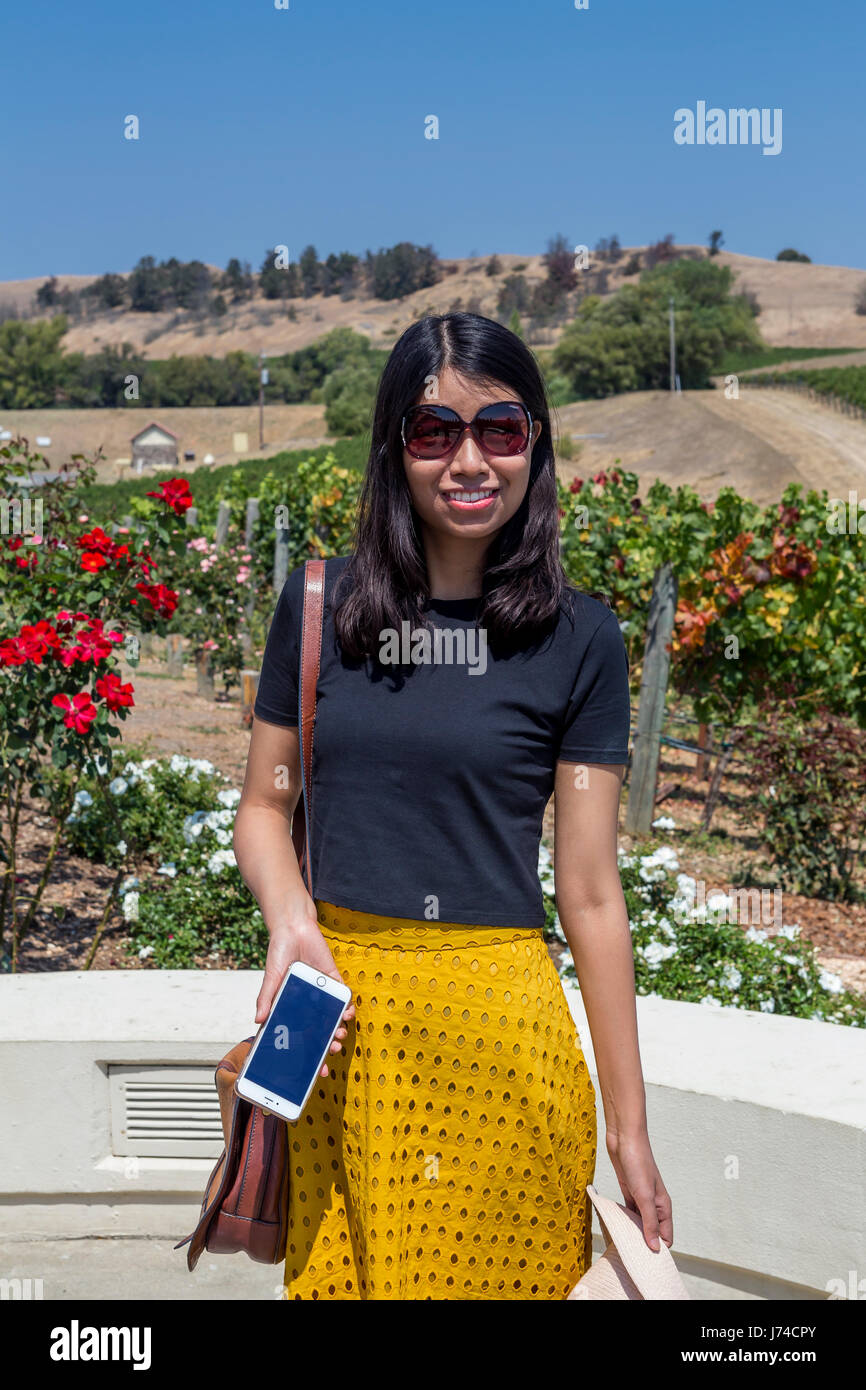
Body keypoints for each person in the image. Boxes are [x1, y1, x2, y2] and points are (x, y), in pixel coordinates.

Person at [233, 312, 672, 1301]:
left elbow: (592, 894)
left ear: (533, 443)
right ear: (395, 447)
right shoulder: (319, 607)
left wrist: (628, 1130)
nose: (468, 460)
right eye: (434, 432)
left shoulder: (580, 640)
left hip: (502, 1051)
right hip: (341, 1039)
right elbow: (263, 808)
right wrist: (291, 921)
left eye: (500, 430)